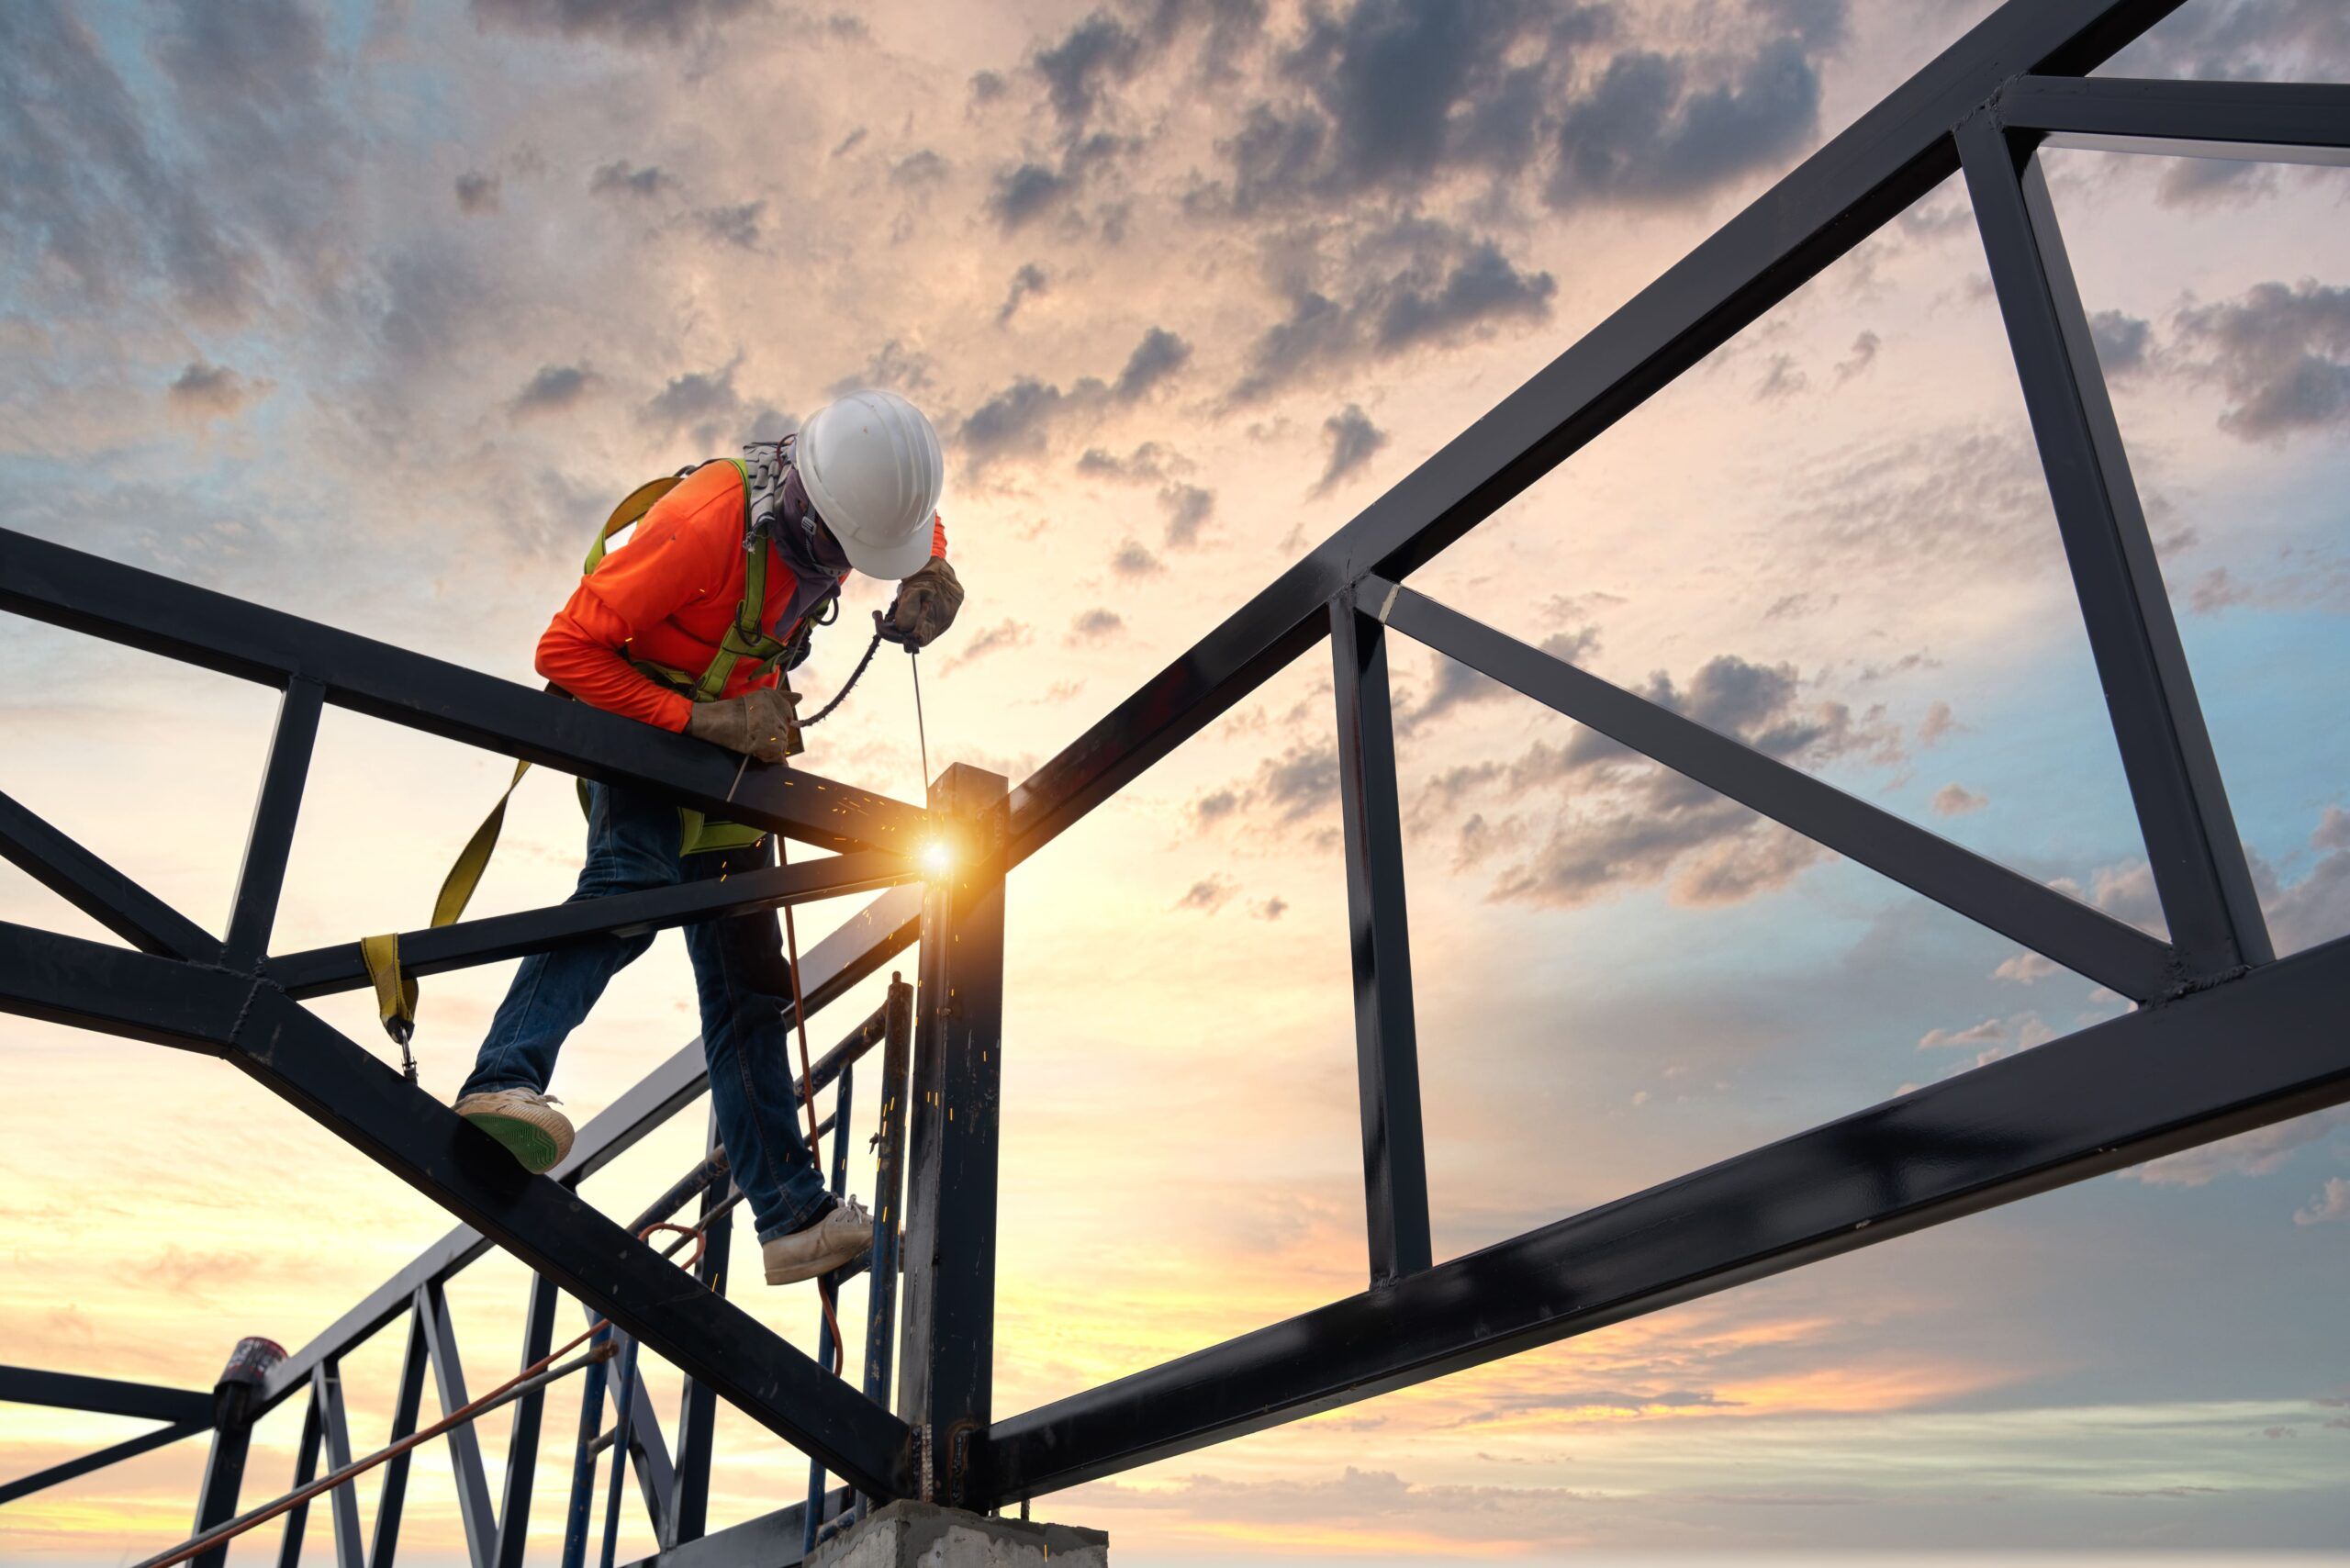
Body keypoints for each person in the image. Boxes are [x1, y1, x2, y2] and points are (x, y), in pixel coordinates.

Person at [449, 389, 963, 1285]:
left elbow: (906, 517)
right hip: (642, 724)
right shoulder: (703, 526)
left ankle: (790, 1215)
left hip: (730, 750)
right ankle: (502, 1079)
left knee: (748, 989)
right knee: (633, 883)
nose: (851, 570)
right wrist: (694, 721)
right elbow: (564, 651)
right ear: (806, 506)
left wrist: (931, 570)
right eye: (850, 552)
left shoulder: (855, 494)